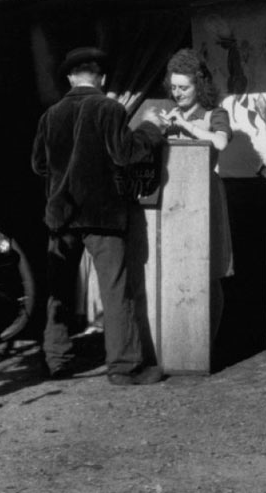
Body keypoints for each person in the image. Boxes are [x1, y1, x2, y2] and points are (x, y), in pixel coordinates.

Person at [31, 46, 167, 386]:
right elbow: (126, 154)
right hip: (103, 215)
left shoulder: (50, 115)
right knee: (115, 290)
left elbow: (38, 165)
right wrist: (150, 128)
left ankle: (56, 360)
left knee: (59, 290)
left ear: (69, 78)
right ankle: (124, 367)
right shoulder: (110, 109)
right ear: (102, 78)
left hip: (61, 216)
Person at [156, 48, 233, 343]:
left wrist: (185, 125)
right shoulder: (170, 112)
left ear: (198, 85)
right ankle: (180, 340)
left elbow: (221, 143)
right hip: (174, 201)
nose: (178, 93)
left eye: (184, 87)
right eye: (173, 87)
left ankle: (207, 342)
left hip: (206, 198)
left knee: (207, 271)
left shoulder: (215, 113)